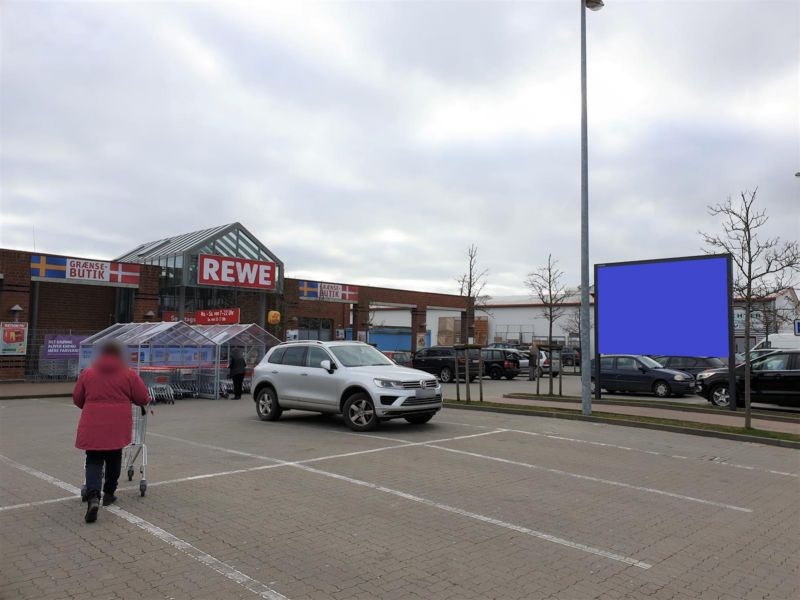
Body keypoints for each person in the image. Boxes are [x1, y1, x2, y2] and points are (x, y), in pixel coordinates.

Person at [73, 341, 149, 523]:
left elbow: (77, 398)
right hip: (117, 424)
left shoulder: (88, 373)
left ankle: (92, 497)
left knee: (93, 460)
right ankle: (108, 492)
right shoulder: (129, 374)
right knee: (114, 457)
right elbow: (142, 397)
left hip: (92, 423)